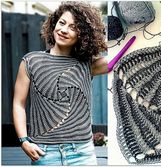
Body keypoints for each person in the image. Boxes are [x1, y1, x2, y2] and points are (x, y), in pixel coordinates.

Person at [13, 1, 108, 165]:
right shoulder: (31, 61)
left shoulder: (87, 64)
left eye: (73, 27)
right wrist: (24, 140)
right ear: (54, 23)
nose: (64, 30)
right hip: (44, 153)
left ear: (83, 34)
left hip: (82, 154)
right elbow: (18, 104)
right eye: (62, 23)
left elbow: (121, 53)